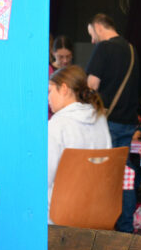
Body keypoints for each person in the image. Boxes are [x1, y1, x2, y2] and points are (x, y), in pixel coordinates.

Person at [85, 13, 140, 231]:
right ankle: (125, 226)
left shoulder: (104, 48)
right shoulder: (131, 49)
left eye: (92, 34)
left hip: (107, 122)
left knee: (103, 175)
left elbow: (91, 85)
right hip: (128, 122)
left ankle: (103, 227)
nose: (92, 41)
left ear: (98, 27)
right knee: (124, 174)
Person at [47, 65, 111, 207]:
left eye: (50, 91)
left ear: (64, 89)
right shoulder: (100, 118)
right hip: (97, 206)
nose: (48, 98)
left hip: (62, 210)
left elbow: (46, 177)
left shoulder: (56, 125)